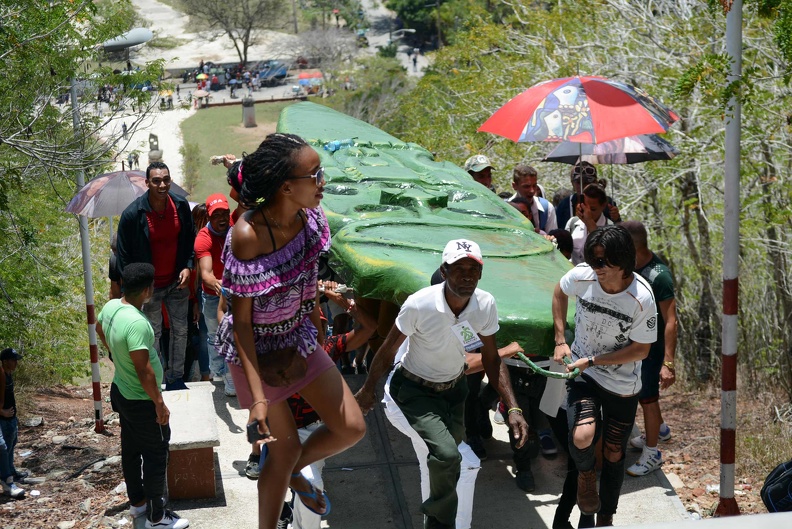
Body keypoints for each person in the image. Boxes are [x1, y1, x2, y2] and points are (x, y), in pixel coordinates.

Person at [215, 133, 365, 529]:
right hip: (254, 351)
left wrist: (316, 324)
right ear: (286, 186)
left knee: (351, 428)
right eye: (315, 175)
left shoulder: (312, 218)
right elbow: (241, 321)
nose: (322, 183)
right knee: (280, 454)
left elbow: (307, 276)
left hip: (296, 336)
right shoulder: (247, 235)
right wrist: (258, 400)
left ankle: (293, 468)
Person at [355, 239, 529, 529]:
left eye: (473, 269)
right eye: (458, 268)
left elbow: (490, 359)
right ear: (444, 271)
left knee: (447, 463)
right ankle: (439, 523)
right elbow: (386, 350)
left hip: (454, 391)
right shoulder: (419, 304)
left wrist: (513, 408)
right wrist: (368, 388)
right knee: (447, 454)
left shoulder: (485, 304)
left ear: (481, 273)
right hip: (414, 390)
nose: (466, 275)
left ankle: (435, 517)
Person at [552, 225, 657, 527]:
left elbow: (641, 350)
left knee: (613, 453)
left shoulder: (641, 298)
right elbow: (559, 291)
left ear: (623, 261)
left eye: (602, 262)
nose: (595, 268)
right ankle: (586, 477)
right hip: (584, 375)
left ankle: (605, 516)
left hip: (621, 384)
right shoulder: (582, 276)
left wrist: (594, 360)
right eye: (592, 260)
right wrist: (561, 340)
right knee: (582, 437)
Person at [97, 263, 189, 529]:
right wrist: (159, 403)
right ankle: (157, 517)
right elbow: (144, 369)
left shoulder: (112, 306)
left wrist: (115, 354)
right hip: (141, 400)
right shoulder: (138, 323)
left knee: (131, 449)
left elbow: (99, 327)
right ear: (148, 289)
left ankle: (137, 505)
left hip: (122, 392)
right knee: (156, 455)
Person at [285, 281, 377, 529]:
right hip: (287, 434)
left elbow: (370, 327)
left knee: (308, 485)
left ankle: (296, 522)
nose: (317, 332)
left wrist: (344, 304)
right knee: (313, 488)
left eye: (322, 326)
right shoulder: (280, 357)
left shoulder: (329, 347)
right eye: (311, 326)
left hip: (319, 432)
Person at [117, 162, 195, 391]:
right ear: (147, 183)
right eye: (156, 181)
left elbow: (189, 241)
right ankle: (158, 378)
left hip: (176, 282)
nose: (162, 185)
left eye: (166, 179)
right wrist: (136, 287)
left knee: (181, 329)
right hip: (149, 288)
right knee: (153, 333)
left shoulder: (180, 206)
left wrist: (187, 266)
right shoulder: (133, 214)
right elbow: (123, 256)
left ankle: (176, 378)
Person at [621, 221, 677, 476]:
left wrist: (668, 363)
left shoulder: (659, 275)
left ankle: (652, 453)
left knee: (648, 399)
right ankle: (657, 432)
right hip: (633, 344)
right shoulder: (628, 267)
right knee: (642, 396)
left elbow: (671, 321)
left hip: (651, 350)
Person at [195, 194, 235, 395]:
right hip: (212, 295)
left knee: (229, 334)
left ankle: (230, 379)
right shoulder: (203, 238)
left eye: (224, 214)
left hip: (236, 294)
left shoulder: (237, 231)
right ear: (209, 217)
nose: (221, 219)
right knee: (213, 336)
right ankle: (217, 371)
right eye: (216, 215)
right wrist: (219, 285)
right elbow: (206, 274)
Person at [556, 163, 621, 232]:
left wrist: (616, 219)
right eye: (578, 182)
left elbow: (618, 232)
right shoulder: (564, 205)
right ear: (572, 183)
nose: (582, 186)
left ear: (595, 183)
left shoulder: (607, 203)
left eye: (587, 182)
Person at [566, 184, 613, 265]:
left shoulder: (611, 228)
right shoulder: (573, 223)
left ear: (603, 205)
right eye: (585, 207)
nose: (588, 212)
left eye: (593, 209)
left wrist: (590, 223)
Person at [0, 348, 25, 499]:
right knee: (3, 446)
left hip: (11, 418)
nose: (16, 362)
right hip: (3, 418)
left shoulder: (8, 374)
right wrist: (2, 412)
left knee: (11, 443)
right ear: (5, 361)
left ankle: (10, 471)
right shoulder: (1, 374)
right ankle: (7, 480)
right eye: (13, 360)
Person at [508, 164, 557, 234]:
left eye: (534, 186)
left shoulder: (547, 208)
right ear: (514, 186)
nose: (532, 191)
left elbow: (553, 239)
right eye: (526, 186)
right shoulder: (505, 208)